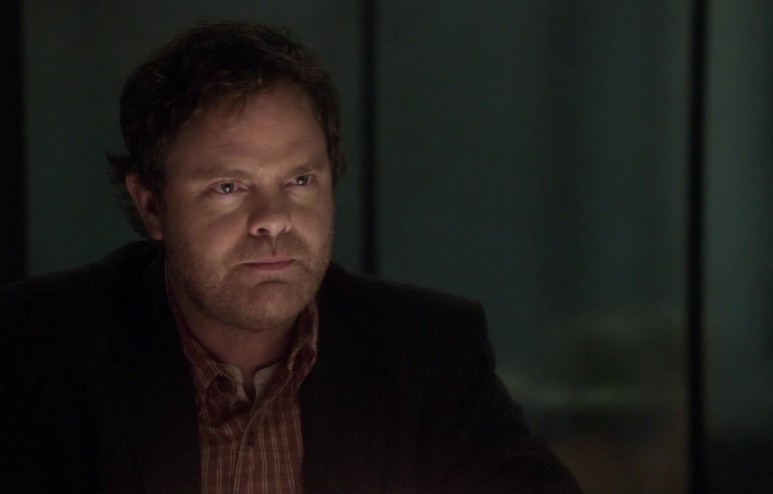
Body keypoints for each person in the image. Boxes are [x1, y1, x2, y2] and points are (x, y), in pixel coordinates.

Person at [0, 20, 582, 494]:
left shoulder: (427, 352)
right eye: (229, 187)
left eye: (300, 180)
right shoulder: (40, 345)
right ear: (152, 207)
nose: (274, 218)